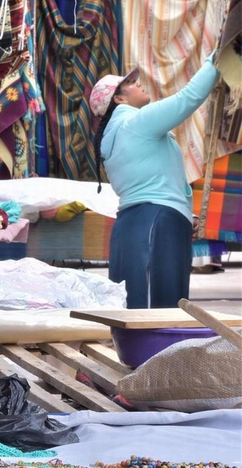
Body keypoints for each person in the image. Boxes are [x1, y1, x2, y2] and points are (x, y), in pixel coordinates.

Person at [90, 52, 220, 309]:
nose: (138, 83)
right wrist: (217, 58)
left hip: (138, 225)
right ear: (119, 99)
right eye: (129, 83)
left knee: (140, 311)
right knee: (160, 311)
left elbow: (159, 174)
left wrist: (185, 213)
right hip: (155, 224)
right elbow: (188, 98)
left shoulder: (113, 138)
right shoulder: (136, 123)